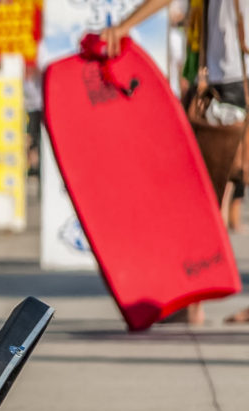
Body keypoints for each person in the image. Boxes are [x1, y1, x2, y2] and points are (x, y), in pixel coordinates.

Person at [104, 0, 247, 325]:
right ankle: (194, 300)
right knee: (211, 197)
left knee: (204, 199)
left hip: (230, 86)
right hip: (228, 83)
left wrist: (124, 26)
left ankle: (193, 303)